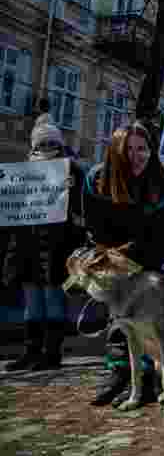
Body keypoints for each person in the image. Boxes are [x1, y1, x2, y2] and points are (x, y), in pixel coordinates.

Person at [84, 121, 164, 406]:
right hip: (114, 258)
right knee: (120, 320)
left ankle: (155, 380)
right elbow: (93, 225)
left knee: (149, 322)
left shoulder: (163, 185)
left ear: (151, 151)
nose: (136, 155)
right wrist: (102, 255)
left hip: (150, 258)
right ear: (116, 152)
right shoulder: (97, 180)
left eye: (142, 148)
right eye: (128, 149)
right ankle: (120, 375)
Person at [3, 114, 85, 372]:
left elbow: (80, 210)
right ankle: (30, 351)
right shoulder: (24, 170)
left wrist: (70, 190)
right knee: (32, 301)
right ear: (34, 145)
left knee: (52, 298)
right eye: (42, 143)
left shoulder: (72, 169)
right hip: (28, 243)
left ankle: (51, 353)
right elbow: (14, 210)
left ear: (59, 144)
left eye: (52, 143)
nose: (47, 148)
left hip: (56, 245)